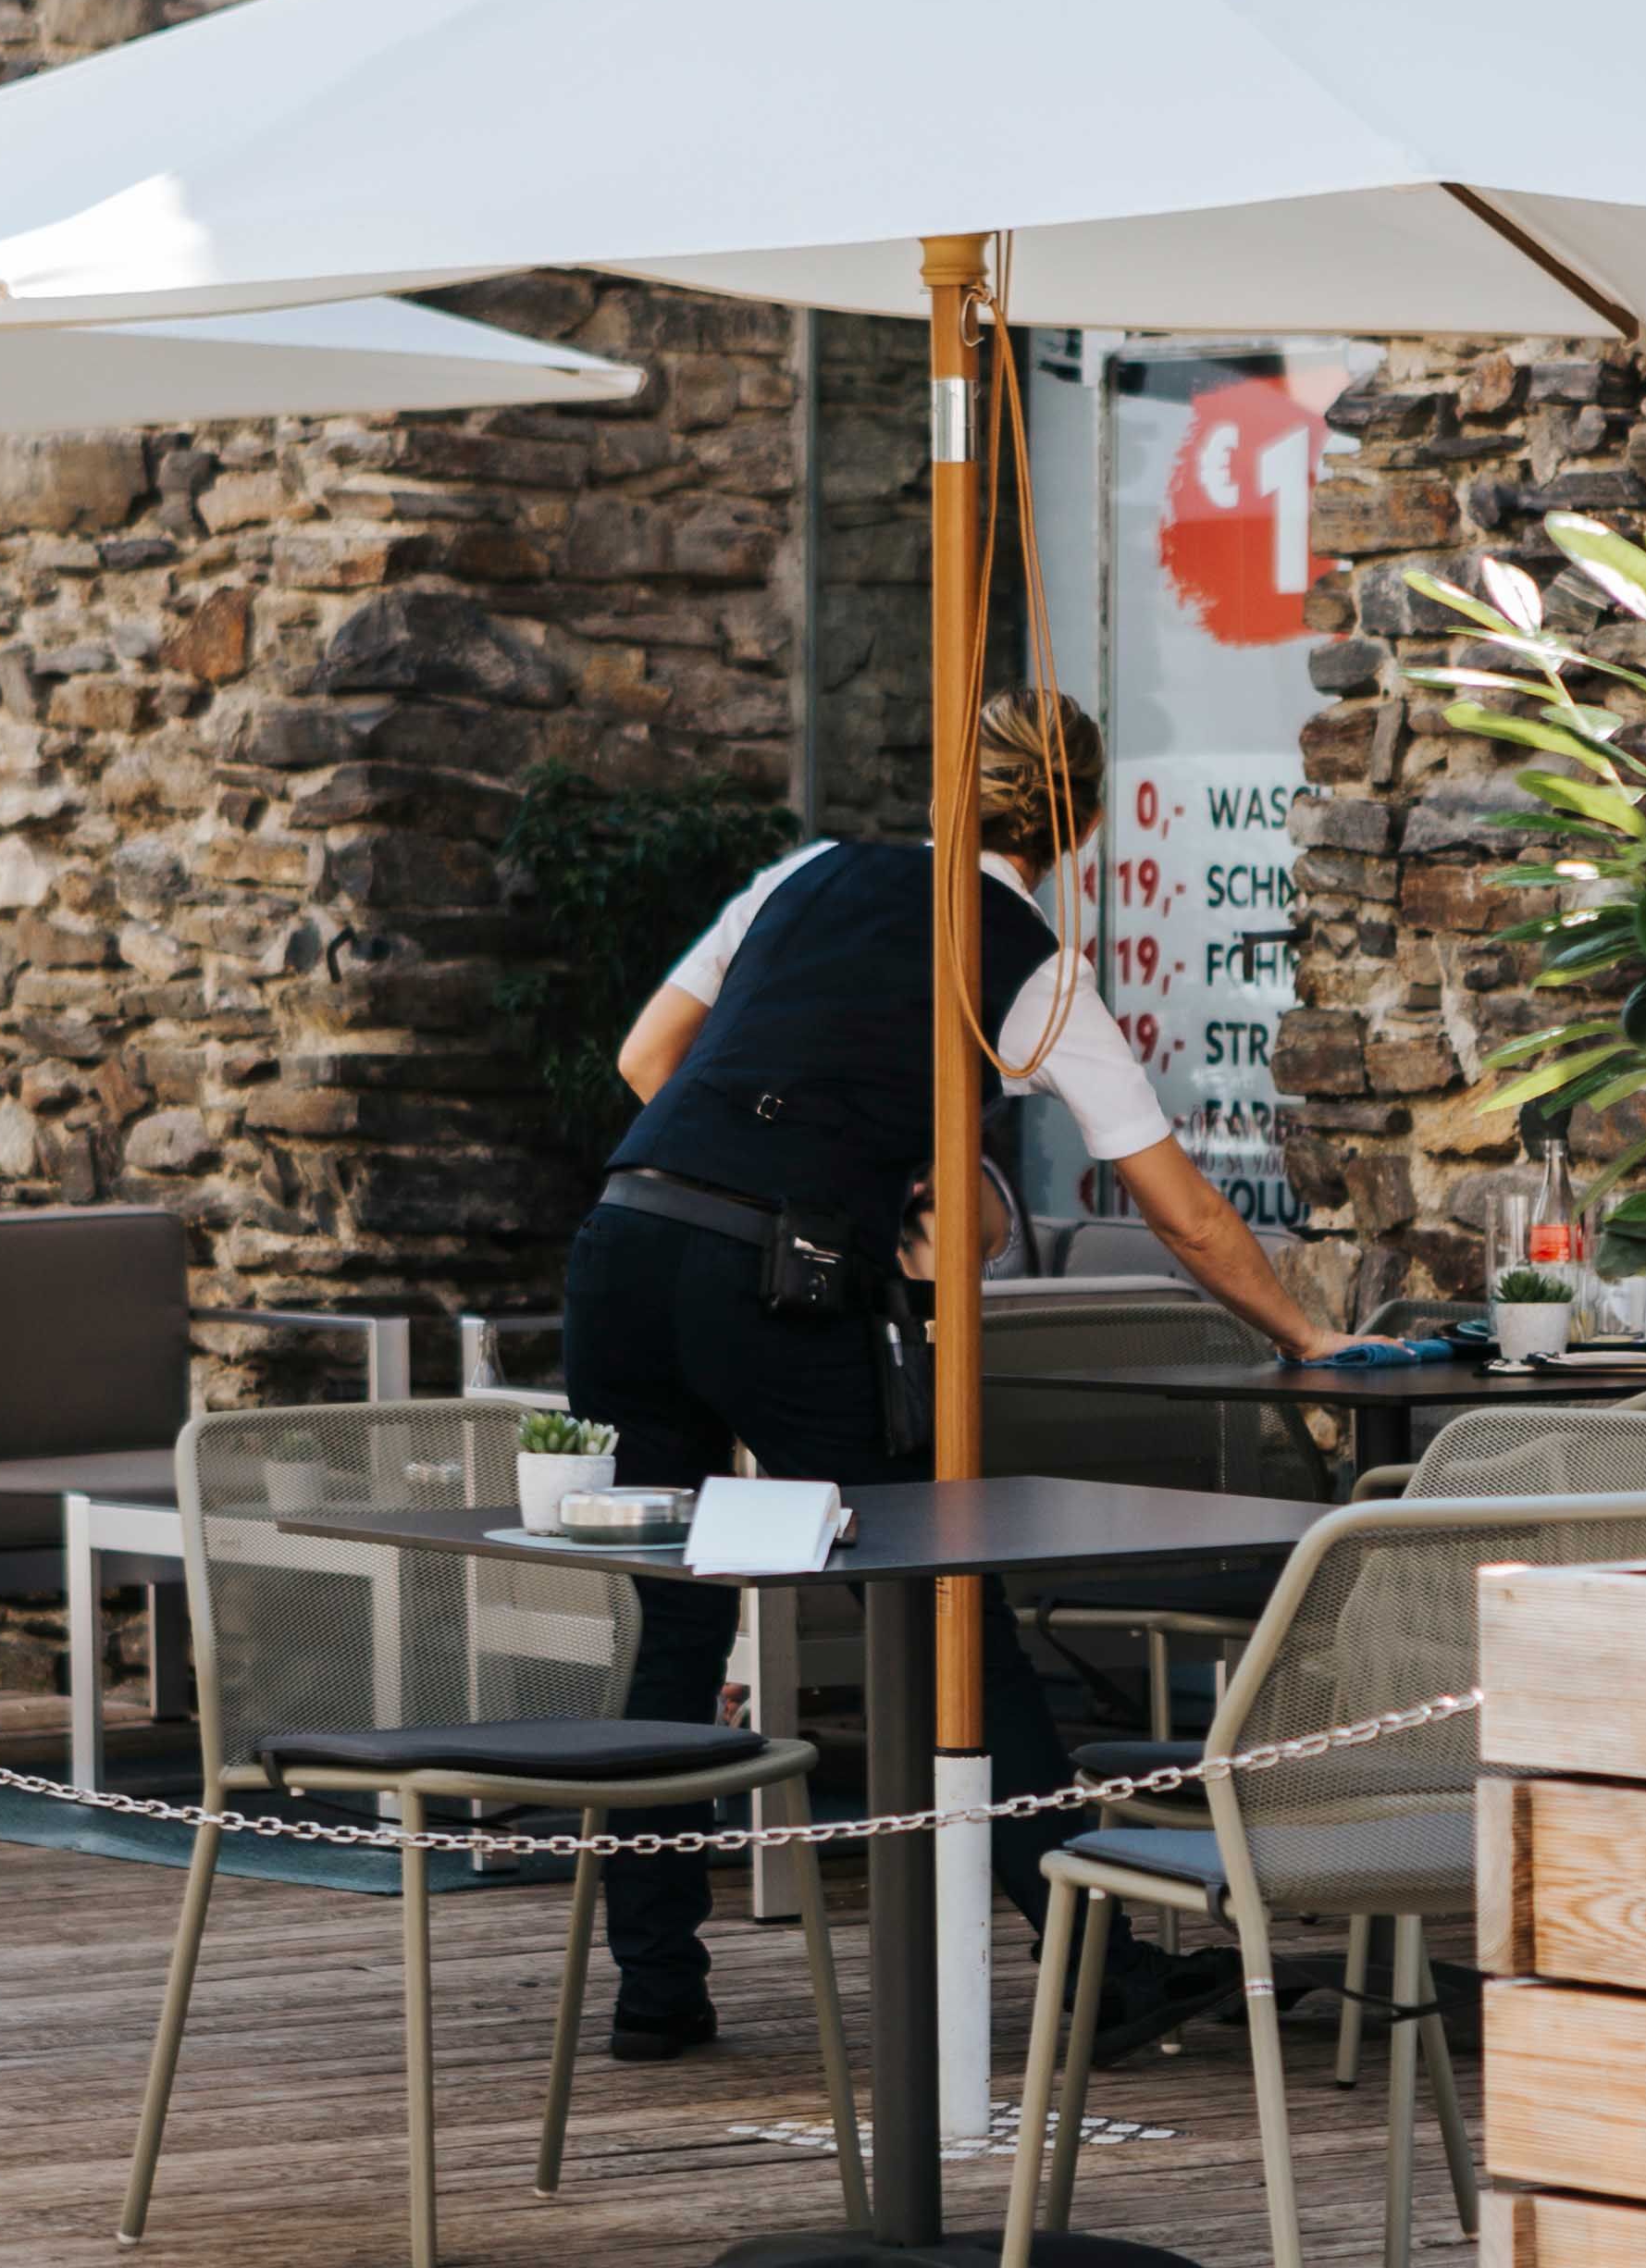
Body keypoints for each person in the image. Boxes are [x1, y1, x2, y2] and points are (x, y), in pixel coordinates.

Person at [564, 689, 1363, 2063]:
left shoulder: (802, 873)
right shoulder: (1027, 961)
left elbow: (650, 1058)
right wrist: (1309, 1341)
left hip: (626, 1248)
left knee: (681, 1623)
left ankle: (656, 1989)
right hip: (769, 1285)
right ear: (1083, 824)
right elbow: (1180, 1210)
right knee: (947, 1605)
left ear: (953, 790)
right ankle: (1095, 1976)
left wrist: (774, 1173)